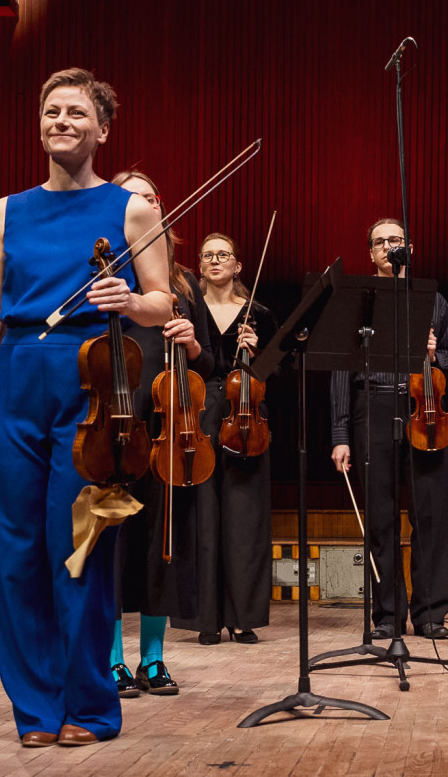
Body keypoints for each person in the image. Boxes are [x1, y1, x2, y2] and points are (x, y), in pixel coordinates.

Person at [0, 69, 173, 747]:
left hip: (90, 381)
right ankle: (36, 710)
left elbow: (163, 301)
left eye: (77, 112)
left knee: (79, 547)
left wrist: (129, 301)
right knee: (12, 549)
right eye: (52, 111)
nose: (62, 121)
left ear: (102, 129)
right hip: (17, 377)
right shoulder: (6, 211)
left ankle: (91, 706)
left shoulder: (132, 209)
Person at [108, 168, 213, 699]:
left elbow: (211, 365)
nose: (143, 205)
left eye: (150, 196)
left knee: (161, 547)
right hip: (112, 427)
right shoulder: (102, 276)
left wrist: (192, 344)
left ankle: (152, 658)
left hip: (168, 430)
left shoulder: (183, 283)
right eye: (130, 198)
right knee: (110, 545)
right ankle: (110, 659)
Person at [330, 218, 448, 639]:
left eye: (396, 240)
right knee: (381, 519)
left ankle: (430, 613)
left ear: (410, 248)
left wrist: (435, 356)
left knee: (430, 516)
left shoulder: (433, 299)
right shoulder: (359, 300)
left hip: (425, 408)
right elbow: (342, 368)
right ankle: (387, 614)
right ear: (370, 253)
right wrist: (340, 435)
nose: (388, 246)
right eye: (380, 242)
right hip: (373, 406)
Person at [173, 232, 279, 645]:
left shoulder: (260, 314)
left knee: (244, 518)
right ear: (199, 266)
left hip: (245, 414)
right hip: (199, 409)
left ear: (238, 266)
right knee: (200, 515)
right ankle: (205, 617)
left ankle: (242, 617)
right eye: (207, 255)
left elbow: (278, 372)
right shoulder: (186, 308)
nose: (214, 260)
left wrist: (259, 351)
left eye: (223, 255)